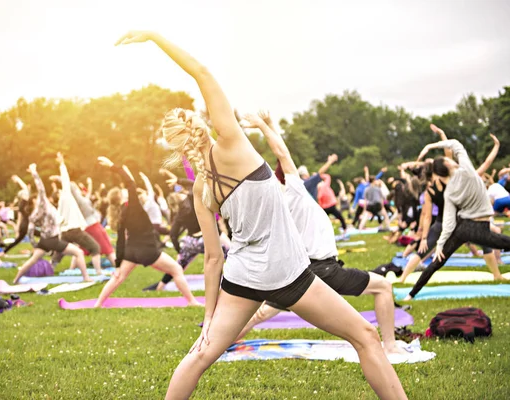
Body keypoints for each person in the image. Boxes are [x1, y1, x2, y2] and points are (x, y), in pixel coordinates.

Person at [115, 30, 406, 399]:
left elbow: (212, 259)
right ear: (199, 124)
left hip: (243, 277)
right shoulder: (232, 142)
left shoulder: (200, 188)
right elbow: (201, 72)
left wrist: (209, 317)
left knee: (200, 355)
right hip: (285, 272)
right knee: (365, 337)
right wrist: (156, 37)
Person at [239, 111, 405, 356]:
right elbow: (282, 154)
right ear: (289, 178)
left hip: (299, 272)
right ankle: (390, 346)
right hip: (323, 270)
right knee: (382, 287)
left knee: (261, 313)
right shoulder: (294, 192)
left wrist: (272, 124)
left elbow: (282, 154)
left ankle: (213, 346)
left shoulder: (276, 201)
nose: (305, 177)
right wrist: (263, 125)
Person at [404, 138, 510, 300]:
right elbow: (455, 144)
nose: (450, 159)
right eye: (447, 159)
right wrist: (430, 145)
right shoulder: (466, 170)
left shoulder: (449, 192)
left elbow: (449, 221)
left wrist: (440, 245)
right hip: (479, 229)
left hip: (463, 229)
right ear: (446, 166)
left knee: (436, 263)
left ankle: (411, 295)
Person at [94, 158, 201, 307]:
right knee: (176, 269)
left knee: (118, 278)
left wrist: (118, 265)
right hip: (148, 251)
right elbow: (130, 182)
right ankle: (191, 301)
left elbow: (120, 241)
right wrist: (113, 166)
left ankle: (98, 304)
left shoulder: (121, 213)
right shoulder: (133, 205)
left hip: (131, 251)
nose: (127, 190)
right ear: (123, 197)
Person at [12, 164, 92, 284]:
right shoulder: (43, 205)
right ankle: (86, 278)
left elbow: (30, 231)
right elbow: (40, 187)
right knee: (78, 252)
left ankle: (15, 280)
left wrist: (35, 244)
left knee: (32, 260)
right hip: (52, 240)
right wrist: (34, 172)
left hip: (44, 240)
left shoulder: (34, 214)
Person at [51, 153, 104, 275]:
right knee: (95, 248)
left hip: (64, 232)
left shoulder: (59, 204)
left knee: (59, 253)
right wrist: (62, 164)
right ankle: (98, 272)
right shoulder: (65, 197)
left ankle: (50, 269)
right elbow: (65, 179)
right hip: (74, 230)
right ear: (59, 194)